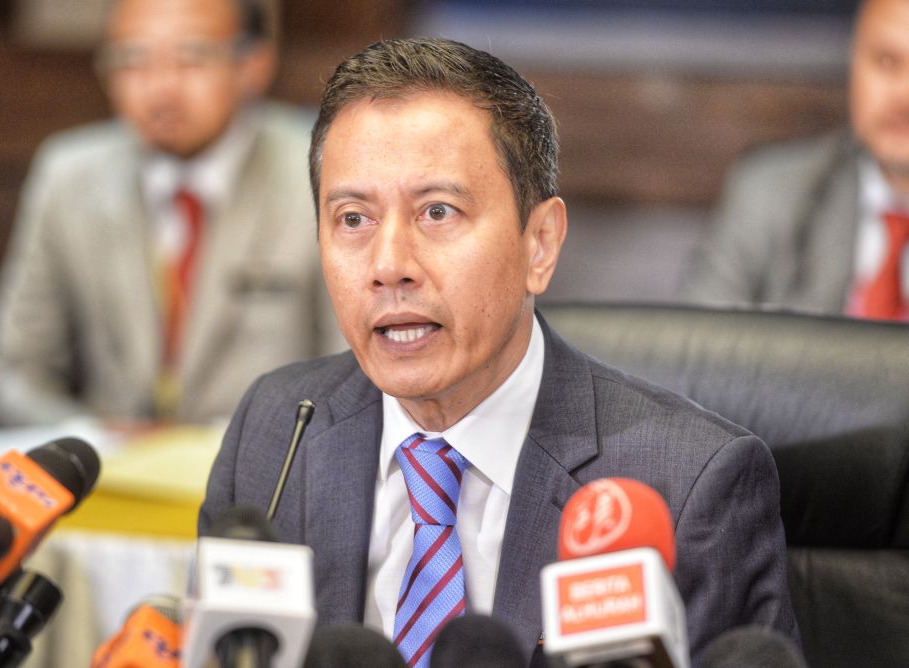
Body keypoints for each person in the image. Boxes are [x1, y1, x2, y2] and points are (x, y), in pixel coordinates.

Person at [199, 38, 798, 666]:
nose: (388, 265)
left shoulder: (687, 486)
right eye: (353, 219)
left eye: (437, 211)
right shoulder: (277, 431)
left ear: (539, 244)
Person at [0, 0, 343, 426]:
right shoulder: (69, 175)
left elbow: (352, 373)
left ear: (254, 65)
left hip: (268, 475)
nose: (161, 88)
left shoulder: (320, 172)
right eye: (132, 61)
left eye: (192, 58)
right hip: (112, 473)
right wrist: (88, 438)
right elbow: (12, 369)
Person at [683, 0, 909, 321]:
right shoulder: (771, 191)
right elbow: (693, 353)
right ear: (853, 65)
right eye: (887, 61)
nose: (904, 94)